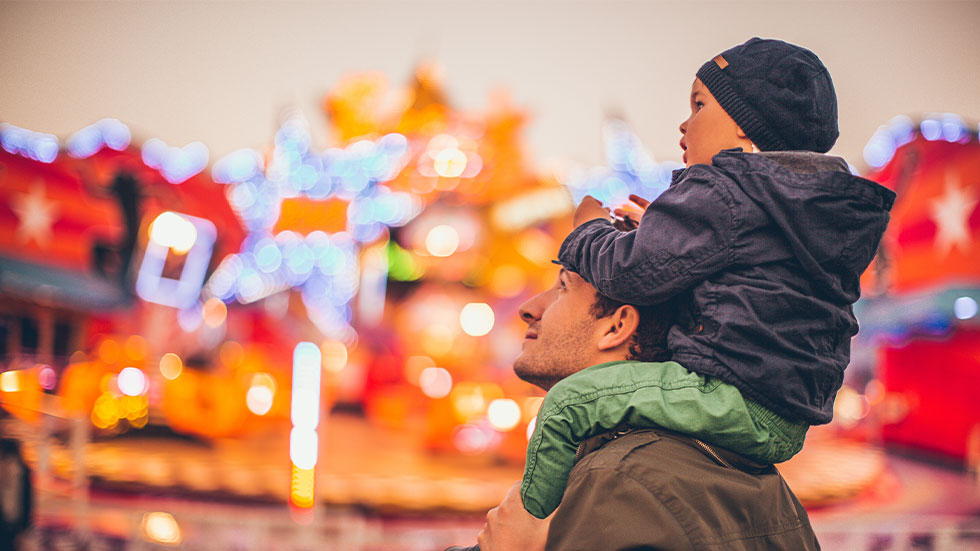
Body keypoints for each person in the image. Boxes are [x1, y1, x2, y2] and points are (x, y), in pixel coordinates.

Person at [522, 37, 896, 517]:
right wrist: (659, 228)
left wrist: (586, 232)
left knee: (567, 405)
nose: (684, 122)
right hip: (786, 413)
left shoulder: (723, 189)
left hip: (729, 392)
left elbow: (633, 273)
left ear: (743, 125)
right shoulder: (803, 208)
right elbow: (745, 270)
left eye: (699, 104)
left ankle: (531, 528)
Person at [465, 267, 819, 550]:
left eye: (562, 287)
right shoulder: (733, 463)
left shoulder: (618, 480)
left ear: (617, 325)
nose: (529, 308)